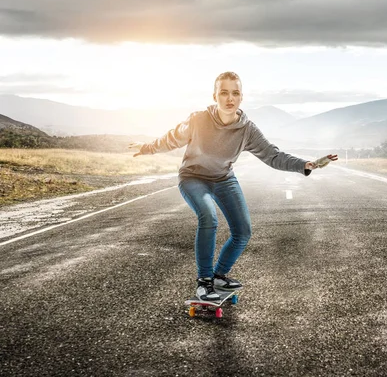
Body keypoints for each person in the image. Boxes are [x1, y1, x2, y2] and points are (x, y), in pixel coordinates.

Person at [129, 71, 338, 302]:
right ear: (215, 96)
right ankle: (204, 281)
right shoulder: (198, 120)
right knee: (208, 217)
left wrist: (304, 164)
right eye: (224, 93)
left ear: (241, 97)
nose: (230, 98)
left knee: (243, 231)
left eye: (235, 93)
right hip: (193, 178)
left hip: (224, 179)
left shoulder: (247, 129)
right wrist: (147, 147)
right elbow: (171, 138)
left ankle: (219, 275)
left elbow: (272, 155)